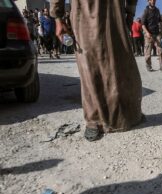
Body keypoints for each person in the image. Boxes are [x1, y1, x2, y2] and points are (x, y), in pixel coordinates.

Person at [50, 0, 143, 141]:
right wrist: (58, 18)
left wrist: (129, 13)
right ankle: (95, 120)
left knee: (119, 63)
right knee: (90, 65)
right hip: (85, 12)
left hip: (114, 12)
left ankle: (126, 115)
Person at [142, 0, 162, 72]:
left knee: (160, 51)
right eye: (151, 0)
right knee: (148, 52)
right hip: (148, 34)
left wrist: (161, 31)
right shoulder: (146, 11)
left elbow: (160, 21)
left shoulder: (157, 10)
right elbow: (143, 24)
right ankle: (148, 66)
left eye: (154, 0)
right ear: (148, 1)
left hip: (157, 34)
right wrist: (147, 33)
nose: (153, 1)